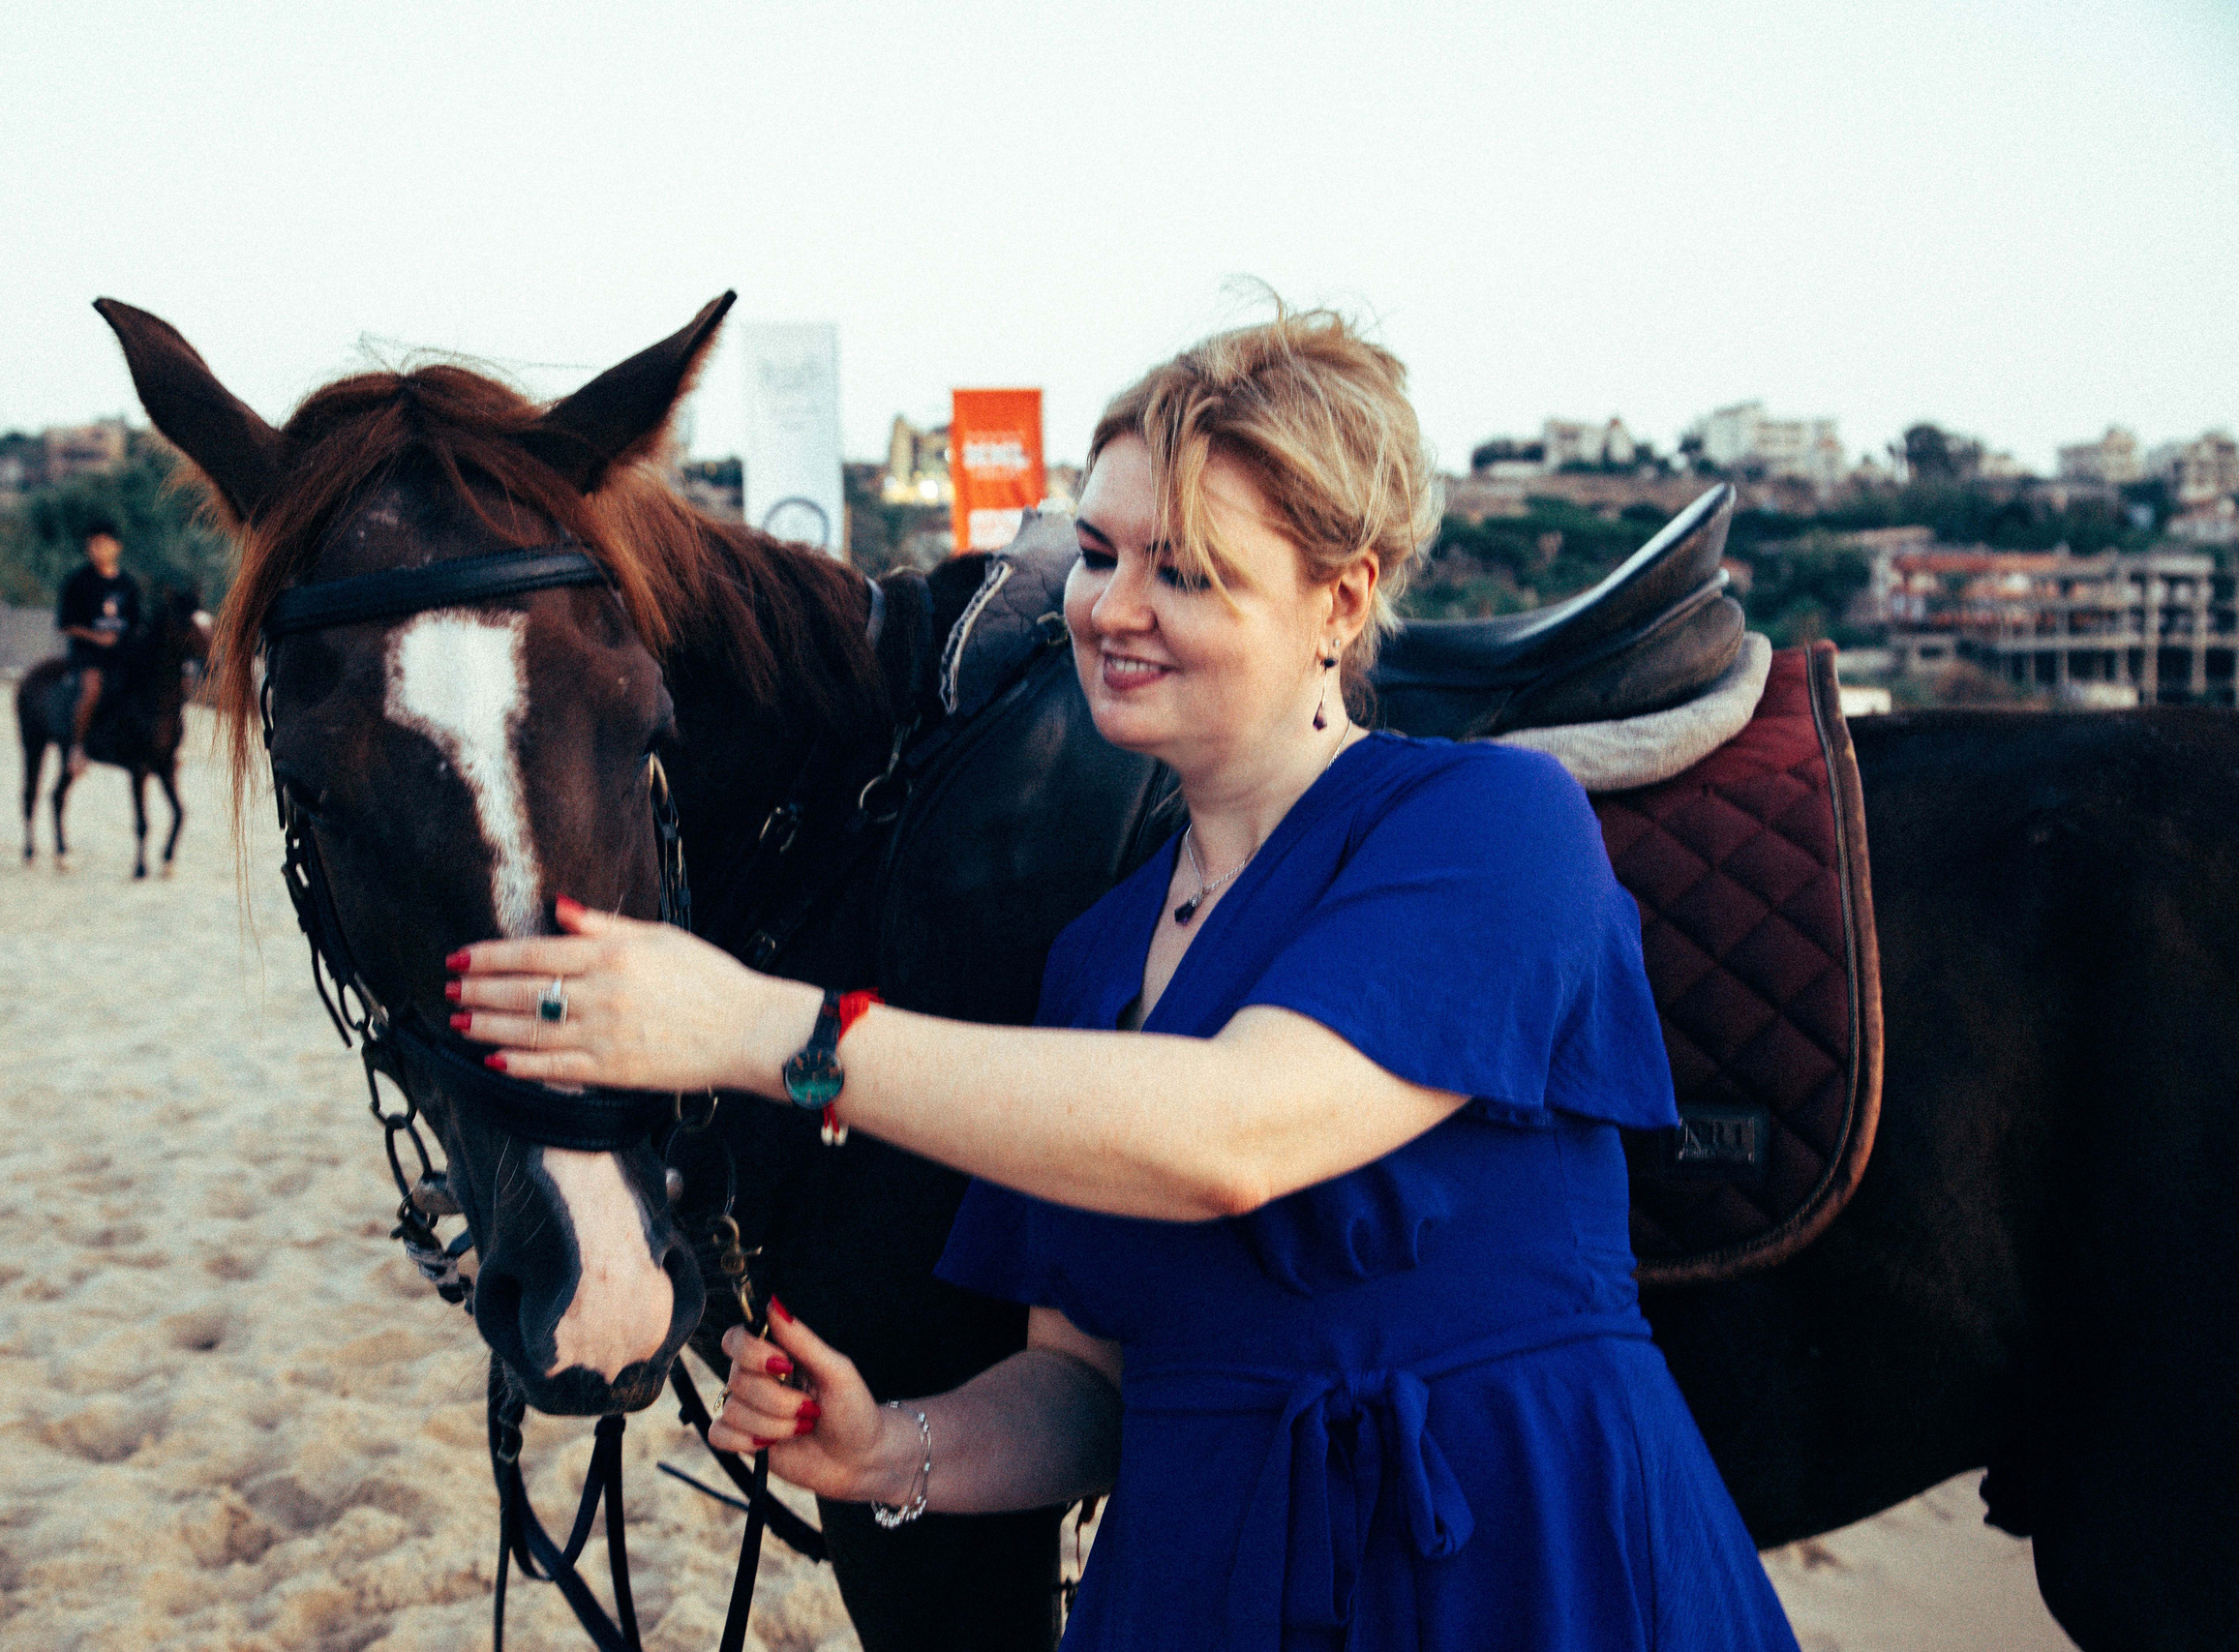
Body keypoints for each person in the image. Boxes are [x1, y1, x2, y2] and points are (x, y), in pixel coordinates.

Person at [447, 306, 1799, 1649]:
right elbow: (1088, 1390)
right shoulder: (1098, 953)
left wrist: (757, 1027)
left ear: (1342, 600)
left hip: (1520, 1561)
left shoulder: (1496, 823)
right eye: (1097, 552)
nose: (1114, 609)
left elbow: (1231, 1133)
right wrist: (888, 1448)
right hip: (1206, 1581)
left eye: (1191, 572)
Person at [55, 519, 141, 776]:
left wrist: (124, 639)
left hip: (121, 654)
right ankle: (77, 747)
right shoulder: (78, 581)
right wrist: (96, 637)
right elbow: (66, 624)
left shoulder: (127, 584)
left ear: (117, 547)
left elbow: (136, 623)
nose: (98, 549)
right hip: (88, 654)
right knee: (92, 689)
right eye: (93, 544)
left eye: (104, 544)